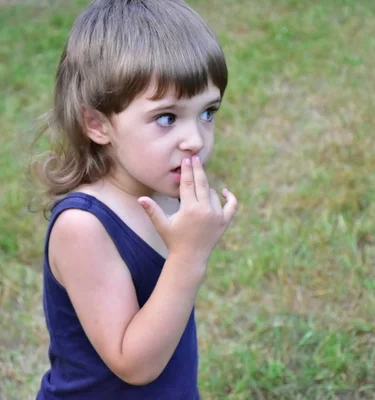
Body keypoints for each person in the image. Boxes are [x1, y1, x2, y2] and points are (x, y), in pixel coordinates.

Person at [31, 0, 238, 398]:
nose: (195, 139)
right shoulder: (84, 226)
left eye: (208, 112)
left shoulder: (164, 194)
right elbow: (134, 364)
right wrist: (188, 255)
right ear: (97, 124)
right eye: (166, 118)